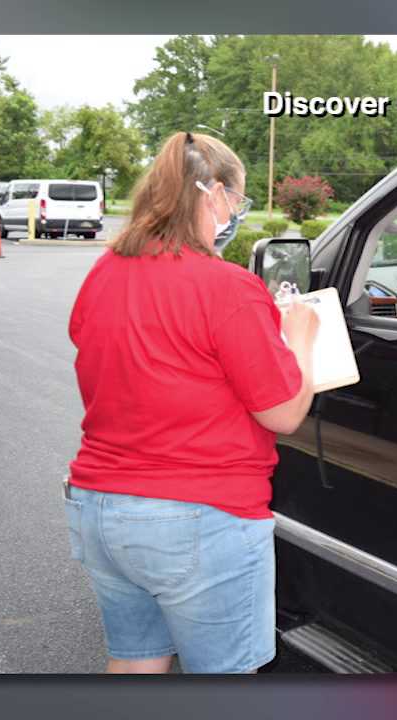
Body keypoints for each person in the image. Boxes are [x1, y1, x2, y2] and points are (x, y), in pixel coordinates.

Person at [65, 131, 319, 674]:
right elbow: (283, 413)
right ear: (212, 195)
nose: (236, 215)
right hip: (200, 515)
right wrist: (300, 338)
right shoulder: (228, 287)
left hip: (101, 507)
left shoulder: (102, 274)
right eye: (237, 201)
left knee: (135, 665)